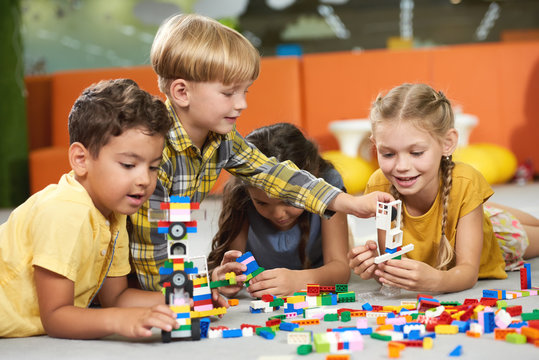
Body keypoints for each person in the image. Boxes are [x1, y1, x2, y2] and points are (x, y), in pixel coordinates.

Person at [130, 13, 393, 297]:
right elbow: (151, 245)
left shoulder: (221, 139)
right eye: (229, 93)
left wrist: (349, 204)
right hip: (116, 260)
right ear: (182, 92)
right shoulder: (155, 154)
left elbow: (273, 174)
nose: (242, 104)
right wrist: (183, 297)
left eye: (245, 91)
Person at [0, 79, 178, 339]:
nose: (144, 179)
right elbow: (57, 317)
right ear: (81, 160)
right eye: (129, 165)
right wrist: (119, 321)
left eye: (153, 167)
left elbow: (116, 297)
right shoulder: (65, 211)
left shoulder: (114, 212)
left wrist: (181, 299)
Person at [348, 83, 539, 293]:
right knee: (469, 203)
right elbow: (395, 264)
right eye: (388, 154)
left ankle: (479, 210)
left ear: (447, 143)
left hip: (496, 235)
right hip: (457, 209)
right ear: (375, 145)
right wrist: (378, 268)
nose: (401, 167)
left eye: (417, 153)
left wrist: (437, 282)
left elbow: (467, 271)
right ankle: (477, 208)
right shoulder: (380, 186)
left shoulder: (466, 181)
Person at [207, 123, 350, 298]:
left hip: (316, 270)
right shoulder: (240, 191)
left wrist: (300, 281)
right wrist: (224, 277)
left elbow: (341, 270)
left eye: (289, 200)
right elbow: (233, 264)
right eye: (262, 203)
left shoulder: (328, 182)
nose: (278, 214)